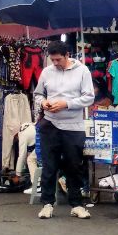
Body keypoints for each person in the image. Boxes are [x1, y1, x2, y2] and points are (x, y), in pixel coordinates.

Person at [34, 41, 95, 220]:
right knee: (48, 166)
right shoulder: (47, 71)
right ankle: (46, 204)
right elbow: (38, 94)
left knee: (74, 167)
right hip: (50, 124)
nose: (55, 63)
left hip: (73, 127)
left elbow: (89, 97)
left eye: (58, 59)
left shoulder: (83, 71)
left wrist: (66, 104)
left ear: (67, 55)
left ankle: (76, 204)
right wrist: (43, 102)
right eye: (52, 60)